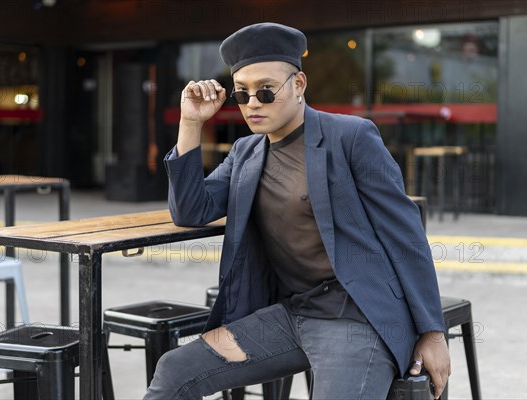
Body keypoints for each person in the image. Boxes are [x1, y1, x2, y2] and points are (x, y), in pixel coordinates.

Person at [145, 22, 450, 400]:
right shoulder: (246, 154)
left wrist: (433, 333)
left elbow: (405, 235)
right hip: (290, 316)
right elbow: (190, 210)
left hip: (356, 317)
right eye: (242, 94)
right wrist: (190, 122)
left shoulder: (350, 137)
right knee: (175, 369)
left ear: (299, 84)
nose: (253, 103)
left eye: (266, 91)